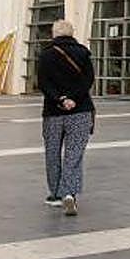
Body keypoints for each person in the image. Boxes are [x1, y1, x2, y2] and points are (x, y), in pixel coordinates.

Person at [37, 19, 95, 216]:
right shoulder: (83, 53)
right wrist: (74, 99)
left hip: (53, 112)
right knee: (74, 154)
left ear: (54, 34)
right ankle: (69, 192)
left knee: (52, 153)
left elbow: (43, 82)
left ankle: (55, 194)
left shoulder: (46, 55)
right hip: (80, 111)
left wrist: (60, 99)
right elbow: (88, 80)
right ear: (72, 33)